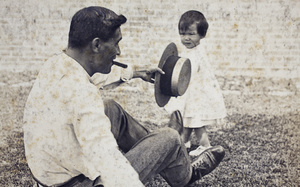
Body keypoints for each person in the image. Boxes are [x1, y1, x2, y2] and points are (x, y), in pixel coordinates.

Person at [23, 6, 225, 187]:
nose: (118, 51)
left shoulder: (57, 64)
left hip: (48, 175)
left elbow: (95, 76)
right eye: (116, 44)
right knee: (170, 138)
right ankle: (184, 173)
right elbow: (107, 156)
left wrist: (136, 72)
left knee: (111, 108)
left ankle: (165, 156)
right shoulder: (82, 94)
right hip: (77, 182)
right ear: (96, 45)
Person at [165, 10, 227, 157]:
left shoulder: (196, 53)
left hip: (196, 94)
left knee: (196, 121)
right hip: (191, 92)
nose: (186, 38)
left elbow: (188, 73)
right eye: (182, 33)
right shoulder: (191, 50)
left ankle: (205, 145)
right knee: (188, 118)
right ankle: (184, 141)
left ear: (201, 34)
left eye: (191, 34)